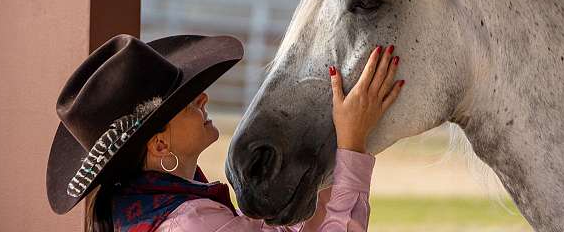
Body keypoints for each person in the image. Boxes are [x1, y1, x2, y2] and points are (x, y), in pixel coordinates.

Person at [46, 34, 405, 232]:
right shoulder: (192, 224)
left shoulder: (150, 212)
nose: (202, 97)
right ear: (159, 144)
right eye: (184, 103)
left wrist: (326, 140)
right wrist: (352, 143)